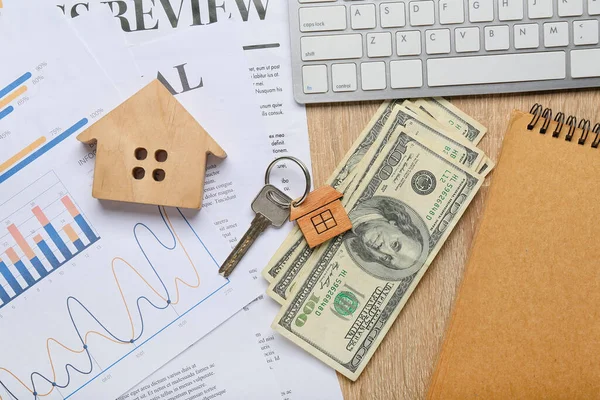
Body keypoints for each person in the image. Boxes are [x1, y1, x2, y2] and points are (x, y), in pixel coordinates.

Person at [346, 197, 425, 274]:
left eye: (387, 258)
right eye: (395, 244)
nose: (382, 249)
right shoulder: (368, 203)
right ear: (396, 225)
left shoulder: (345, 236)